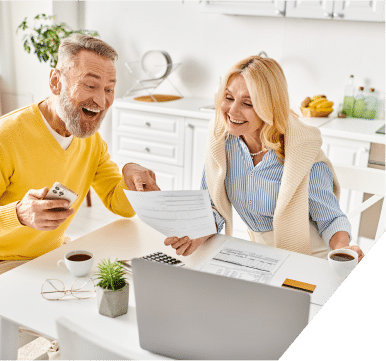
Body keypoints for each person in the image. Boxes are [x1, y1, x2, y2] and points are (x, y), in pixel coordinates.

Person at [165, 55, 364, 261]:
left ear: (269, 107)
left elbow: (330, 219)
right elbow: (213, 205)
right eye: (229, 97)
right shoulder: (221, 141)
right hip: (263, 256)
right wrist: (198, 233)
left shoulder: (300, 151)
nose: (232, 111)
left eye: (247, 103)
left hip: (311, 257)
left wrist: (344, 252)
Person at [0, 34, 159, 272]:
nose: (101, 100)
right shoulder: (7, 136)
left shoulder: (92, 142)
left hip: (53, 256)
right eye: (90, 85)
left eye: (109, 89)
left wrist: (130, 174)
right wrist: (19, 214)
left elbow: (121, 206)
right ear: (56, 81)